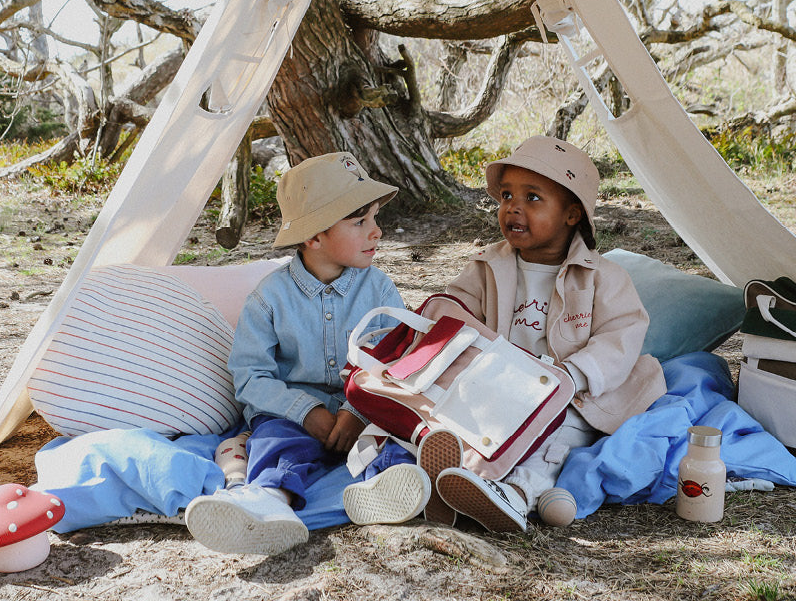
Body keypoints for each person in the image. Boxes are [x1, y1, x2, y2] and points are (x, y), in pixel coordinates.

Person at [184, 151, 430, 555]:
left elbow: (392, 359)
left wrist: (358, 411)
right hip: (293, 415)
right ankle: (270, 501)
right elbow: (251, 377)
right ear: (314, 237)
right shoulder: (269, 299)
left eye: (374, 219)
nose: (377, 232)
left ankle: (379, 488)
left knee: (392, 438)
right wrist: (305, 411)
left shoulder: (379, 289)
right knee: (276, 441)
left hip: (363, 409)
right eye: (360, 221)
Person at [418, 135, 666, 534]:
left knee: (556, 440)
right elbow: (455, 309)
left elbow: (621, 334)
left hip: (569, 394)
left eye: (532, 197)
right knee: (461, 418)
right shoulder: (486, 266)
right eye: (506, 195)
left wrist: (575, 375)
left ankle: (515, 495)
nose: (512, 207)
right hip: (500, 383)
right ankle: (449, 483)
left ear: (571, 215)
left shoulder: (602, 277)